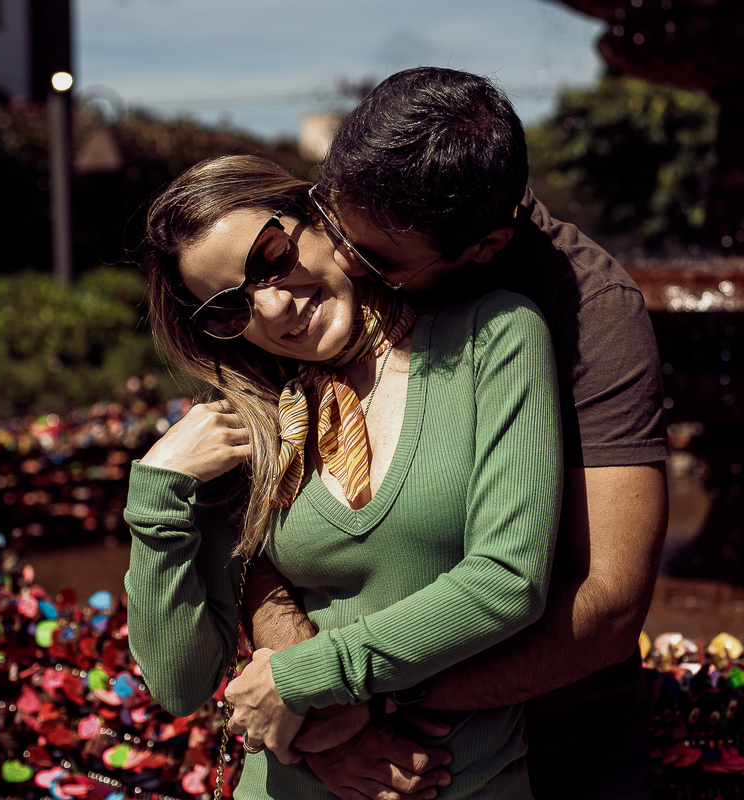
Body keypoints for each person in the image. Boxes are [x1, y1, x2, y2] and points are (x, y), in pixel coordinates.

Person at [229, 67, 671, 800]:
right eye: (330, 221)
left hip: (561, 747)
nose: (340, 262)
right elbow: (252, 538)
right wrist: (316, 712)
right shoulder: (321, 274)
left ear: (485, 246)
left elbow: (609, 609)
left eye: (376, 262)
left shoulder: (591, 314)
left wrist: (362, 698)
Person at [123, 154, 564, 798]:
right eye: (229, 309)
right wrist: (156, 498)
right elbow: (180, 685)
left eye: (270, 256)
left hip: (460, 782)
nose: (272, 308)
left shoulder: (492, 337)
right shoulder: (253, 427)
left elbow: (508, 581)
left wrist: (305, 678)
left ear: (320, 217)